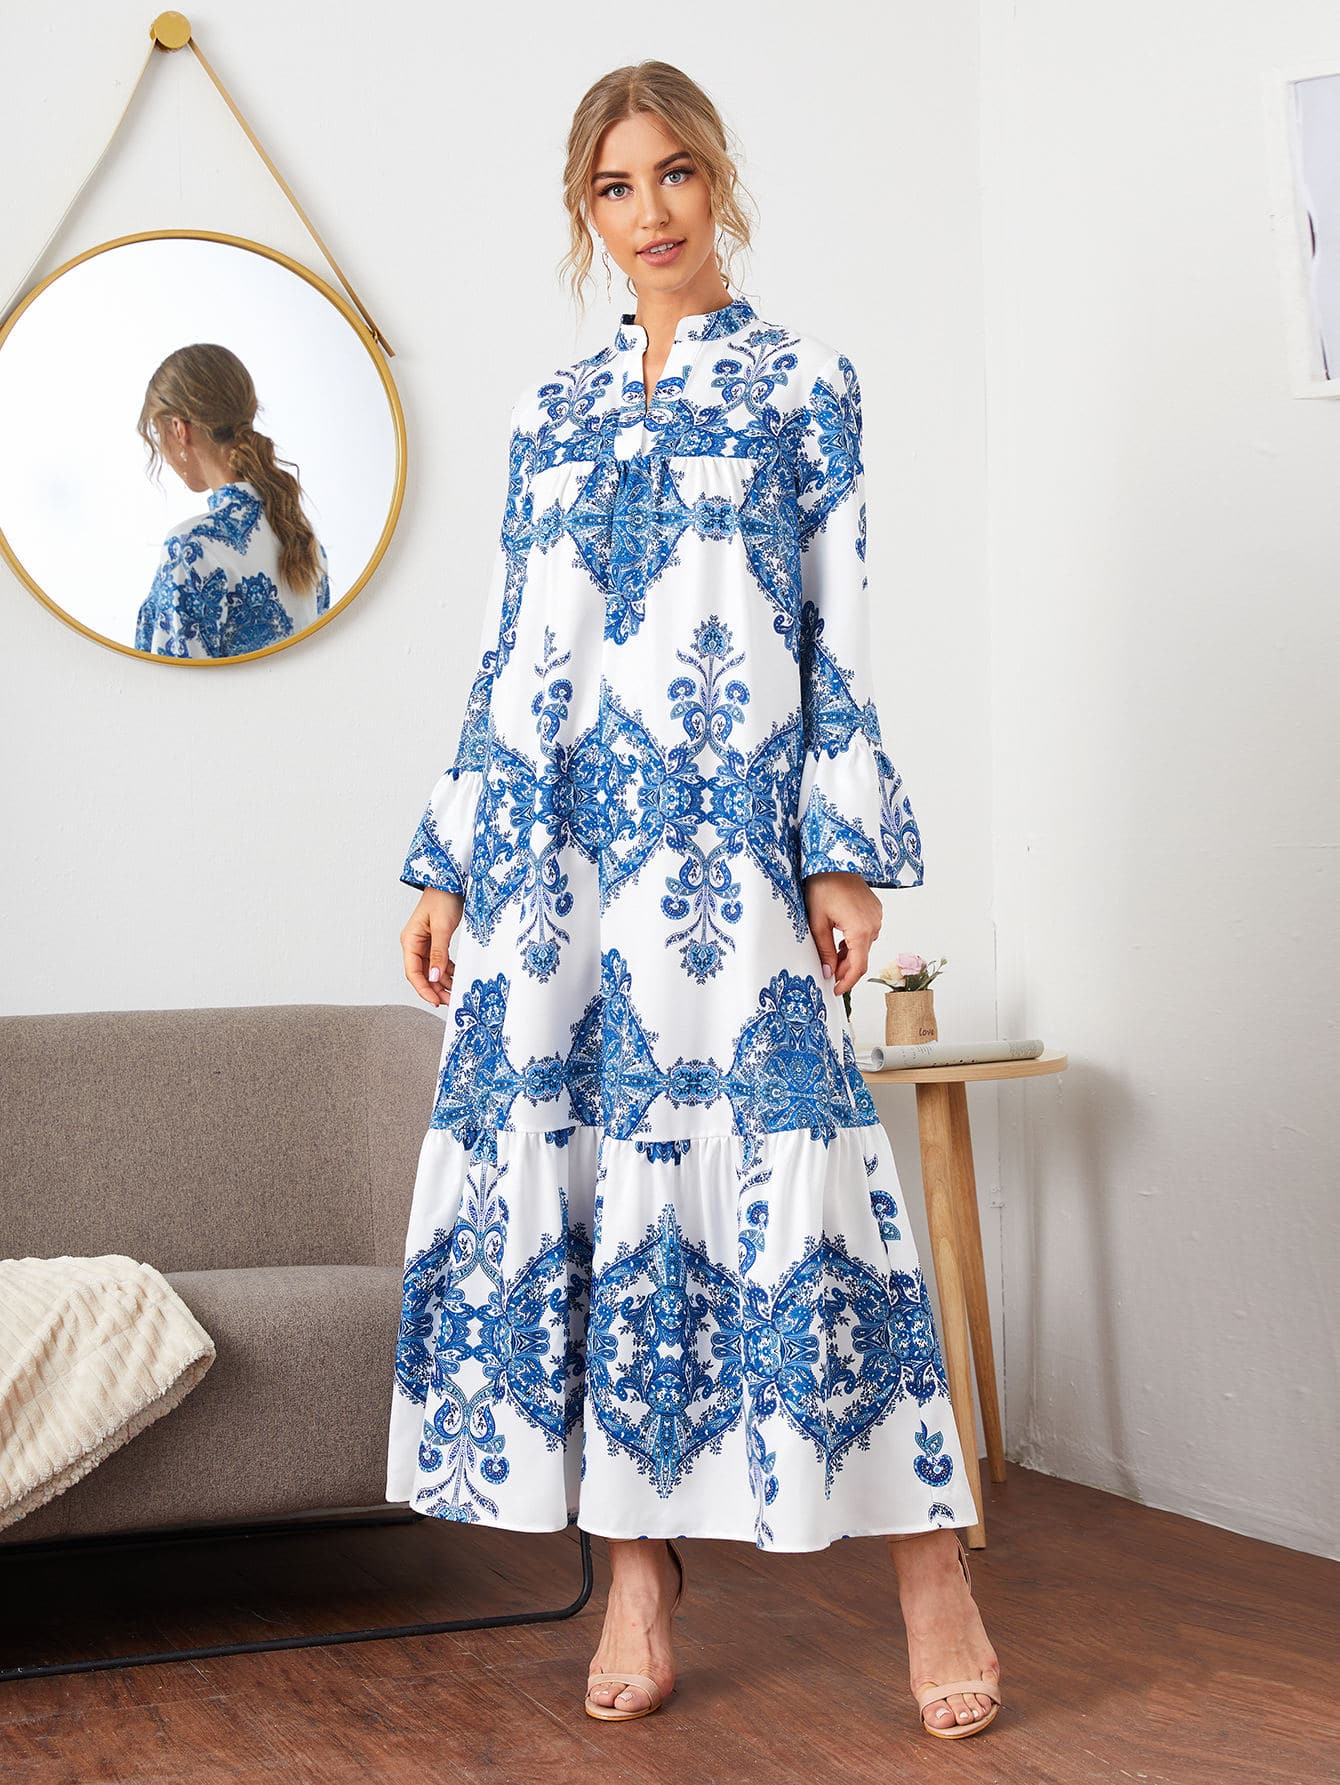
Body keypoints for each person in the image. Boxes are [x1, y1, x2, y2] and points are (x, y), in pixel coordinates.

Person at [386, 61, 1003, 1742]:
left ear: (718, 179)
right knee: (595, 1193)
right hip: (555, 862)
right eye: (614, 186)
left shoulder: (805, 383)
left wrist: (840, 849)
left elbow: (837, 628)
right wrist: (447, 857)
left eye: (673, 173)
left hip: (731, 854)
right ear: (582, 211)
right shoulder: (550, 409)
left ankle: (931, 1568)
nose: (649, 211)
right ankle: (639, 1575)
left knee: (813, 1186)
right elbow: (512, 648)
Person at [134, 343, 330, 658]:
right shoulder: (304, 541)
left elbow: (172, 683)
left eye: (158, 433)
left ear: (179, 429)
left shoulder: (191, 549)